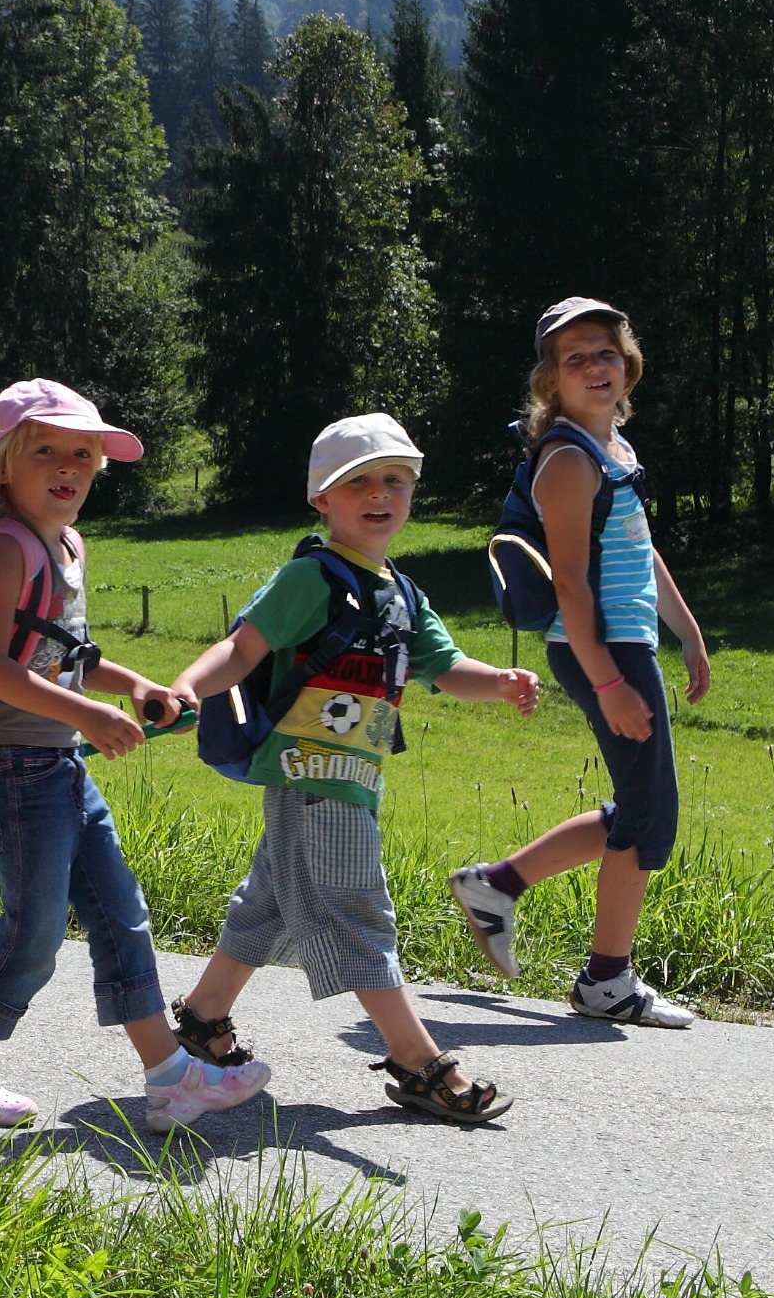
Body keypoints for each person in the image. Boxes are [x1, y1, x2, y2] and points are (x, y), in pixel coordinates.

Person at [0, 380, 270, 1135]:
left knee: (121, 916)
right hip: (9, 769)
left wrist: (132, 686)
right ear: (6, 464)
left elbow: (64, 657)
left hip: (56, 765)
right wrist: (89, 716)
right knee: (33, 936)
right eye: (47, 452)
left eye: (83, 452)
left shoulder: (66, 544)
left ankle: (169, 1079)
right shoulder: (3, 548)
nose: (68, 466)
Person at [164, 414, 542, 1126]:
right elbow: (243, 650)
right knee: (359, 914)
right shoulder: (313, 577)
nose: (379, 494)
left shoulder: (402, 591)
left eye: (395, 480)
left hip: (353, 779)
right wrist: (187, 687)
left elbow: (446, 668)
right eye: (358, 481)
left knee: (270, 903)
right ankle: (416, 1060)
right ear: (323, 500)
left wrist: (498, 680)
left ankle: (201, 1021)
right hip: (312, 776)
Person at [449, 300, 711, 1029]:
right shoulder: (566, 460)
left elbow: (637, 546)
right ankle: (606, 982)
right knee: (652, 817)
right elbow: (570, 586)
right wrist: (608, 683)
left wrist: (686, 631)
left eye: (606, 352)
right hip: (601, 648)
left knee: (642, 803)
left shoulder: (613, 450)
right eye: (576, 358)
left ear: (627, 365)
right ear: (550, 384)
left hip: (626, 642)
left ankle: (496, 884)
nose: (596, 366)